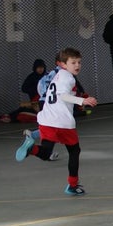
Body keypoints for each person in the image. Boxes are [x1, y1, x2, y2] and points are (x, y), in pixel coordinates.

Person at [15, 48, 97, 196]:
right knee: (74, 151)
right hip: (62, 122)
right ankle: (72, 186)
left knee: (46, 152)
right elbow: (63, 96)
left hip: (47, 119)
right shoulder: (68, 78)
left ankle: (31, 149)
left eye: (79, 62)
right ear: (64, 65)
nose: (77, 65)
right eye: (73, 62)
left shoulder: (57, 76)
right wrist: (83, 100)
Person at [0, 58, 46, 124]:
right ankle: (11, 116)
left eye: (42, 67)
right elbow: (24, 88)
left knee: (27, 113)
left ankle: (12, 118)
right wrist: (34, 89)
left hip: (44, 100)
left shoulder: (46, 76)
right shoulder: (31, 77)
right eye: (38, 68)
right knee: (25, 108)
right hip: (34, 100)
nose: (40, 69)